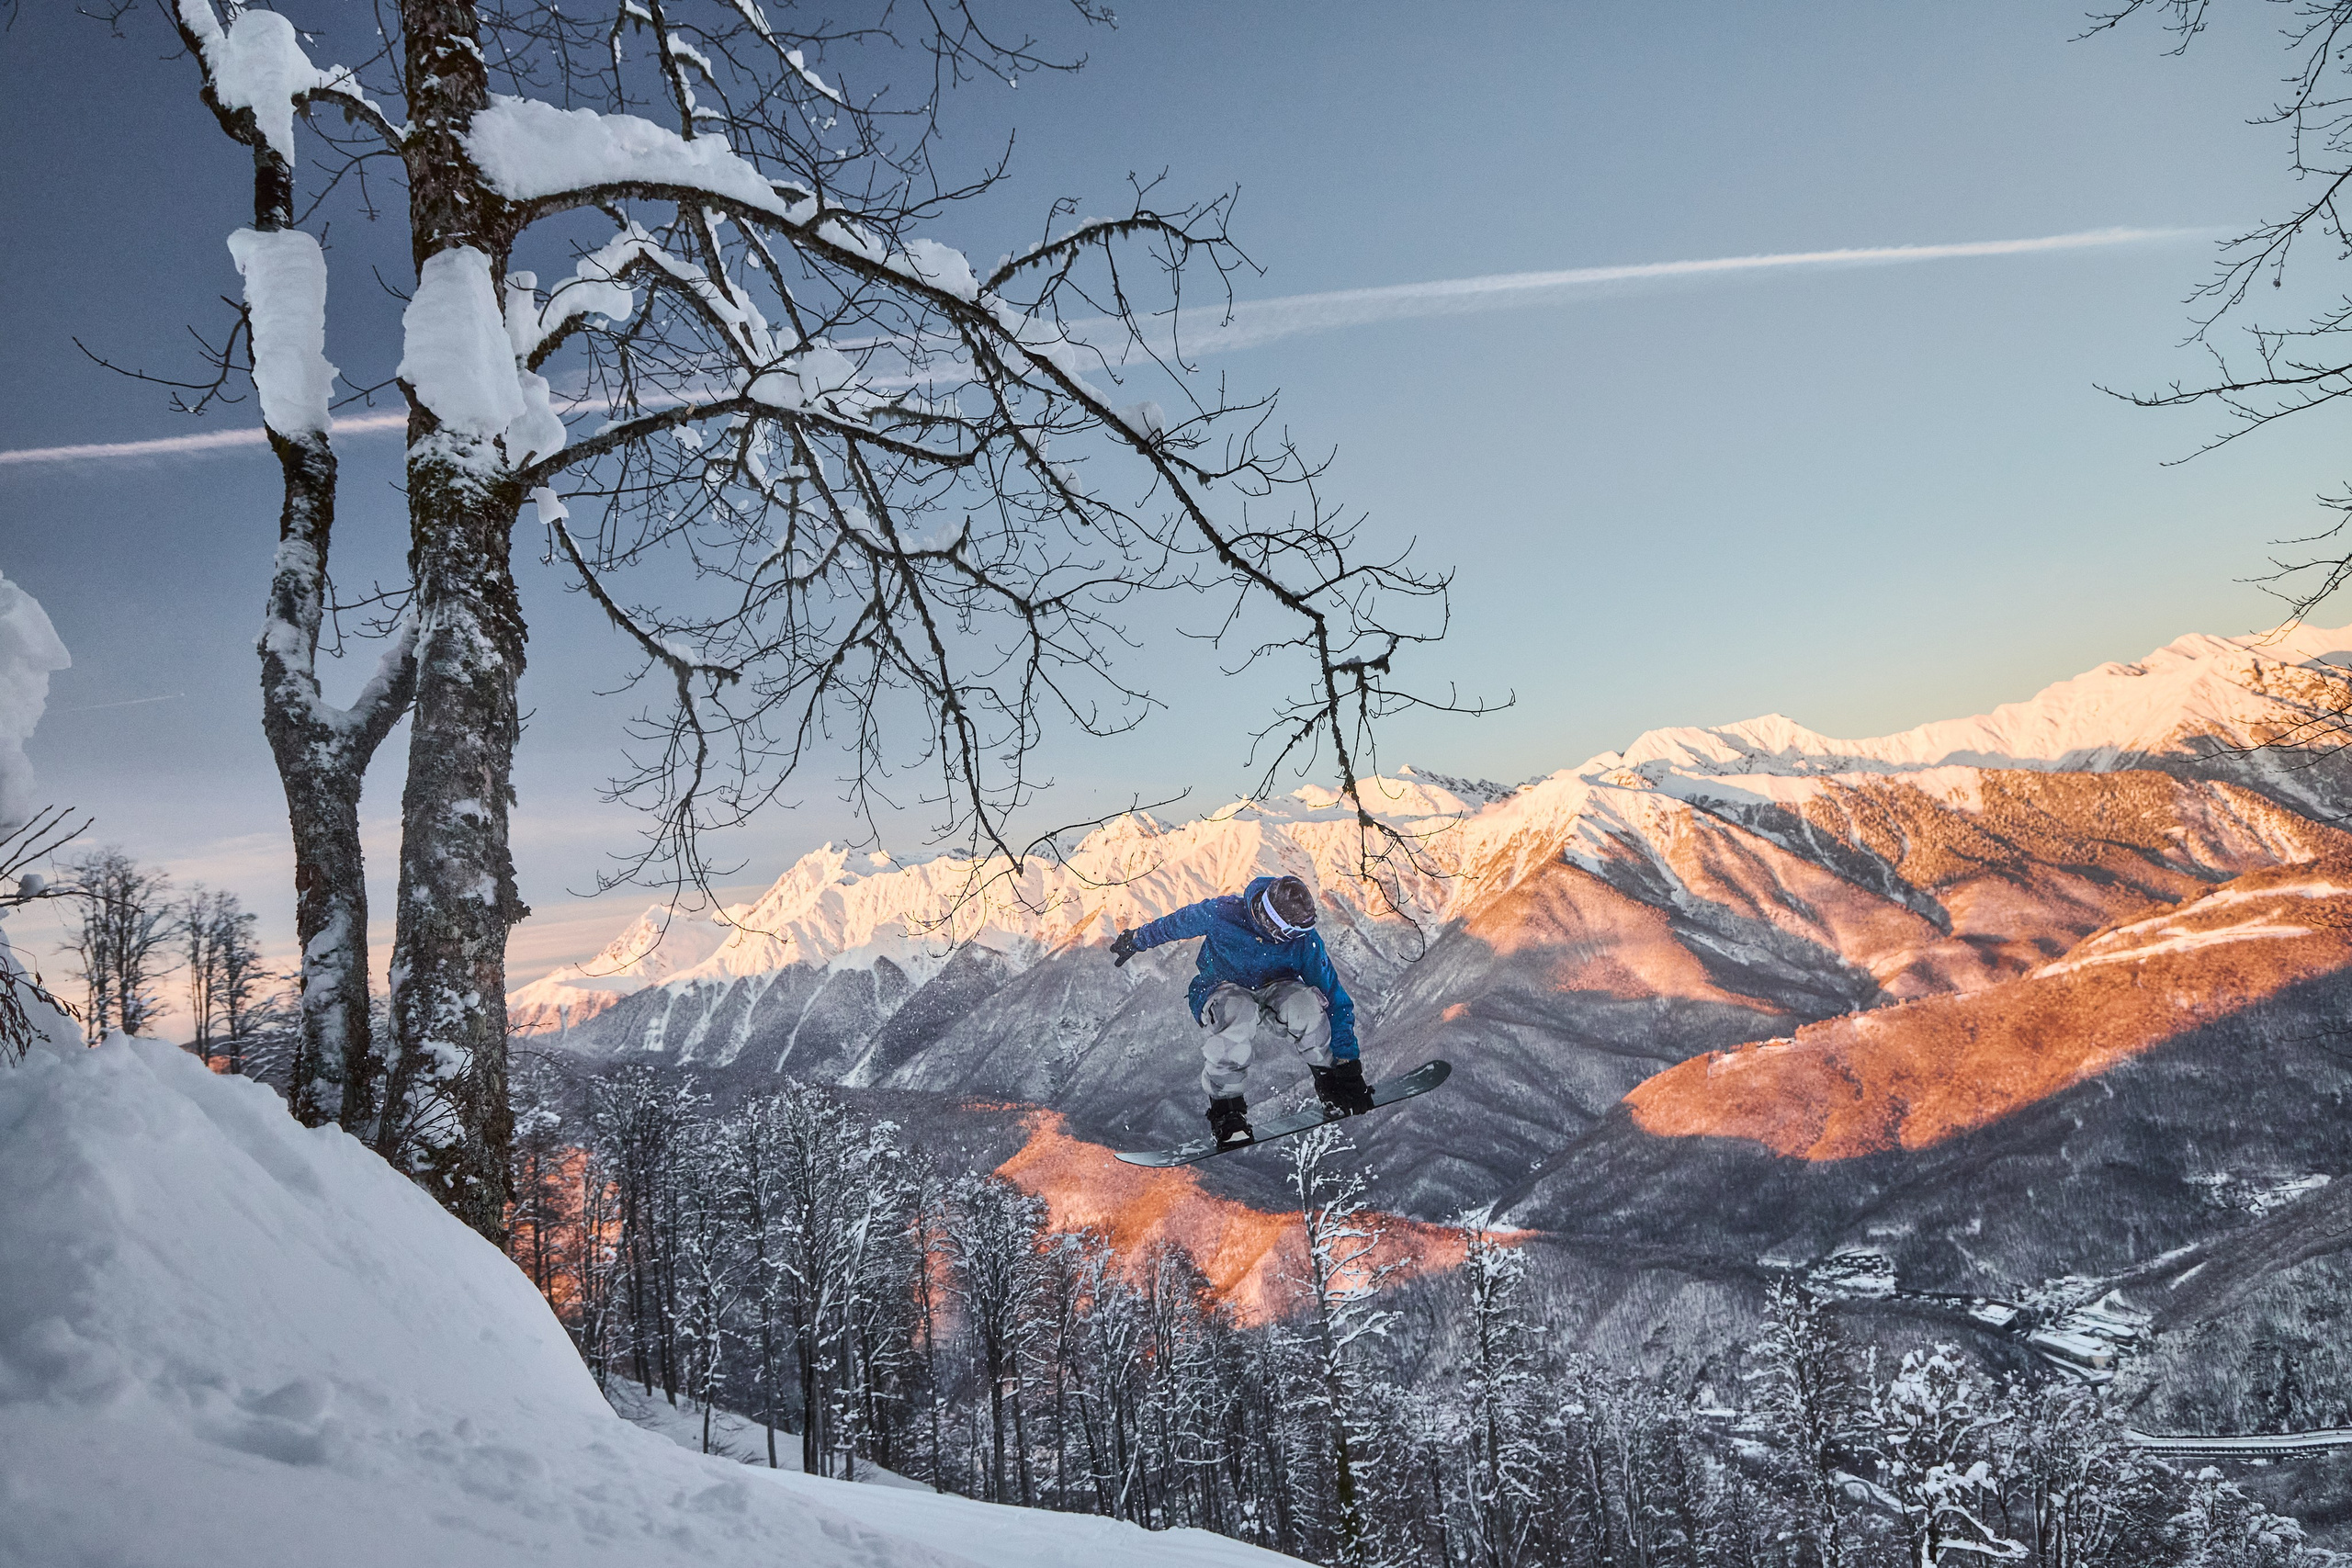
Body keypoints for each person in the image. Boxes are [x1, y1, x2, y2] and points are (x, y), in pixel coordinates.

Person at [1110, 874, 1374, 1146]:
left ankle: (1331, 1084)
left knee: (1306, 1005)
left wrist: (1347, 1063)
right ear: (1270, 921)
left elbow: (1334, 997)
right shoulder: (1223, 913)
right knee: (1240, 1011)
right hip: (1221, 987)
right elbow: (1177, 924)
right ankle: (1227, 1111)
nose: (1293, 939)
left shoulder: (1305, 941)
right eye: (1289, 933)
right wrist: (1137, 939)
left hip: (1276, 986)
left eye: (1299, 934)